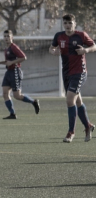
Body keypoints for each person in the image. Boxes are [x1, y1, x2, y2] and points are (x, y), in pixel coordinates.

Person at [49, 14, 96, 143]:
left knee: (70, 99)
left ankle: (71, 132)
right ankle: (88, 126)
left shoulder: (81, 35)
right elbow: (51, 48)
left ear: (75, 23)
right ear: (63, 24)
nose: (68, 25)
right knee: (77, 101)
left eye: (70, 23)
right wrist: (54, 52)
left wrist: (85, 50)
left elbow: (94, 46)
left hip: (80, 72)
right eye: (65, 23)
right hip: (66, 73)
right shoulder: (59, 36)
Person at [0, 30, 40, 119]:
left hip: (15, 71)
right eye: (5, 36)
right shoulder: (6, 49)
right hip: (8, 72)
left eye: (8, 36)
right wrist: (0, 62)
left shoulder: (14, 47)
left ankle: (33, 102)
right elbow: (9, 62)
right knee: (5, 93)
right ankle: (12, 114)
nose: (6, 38)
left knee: (17, 96)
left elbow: (23, 57)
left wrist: (12, 62)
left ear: (12, 37)